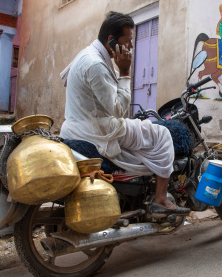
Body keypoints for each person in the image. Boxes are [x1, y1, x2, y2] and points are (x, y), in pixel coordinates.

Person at [59, 11, 189, 215]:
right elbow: (119, 111)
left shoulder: (87, 54)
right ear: (111, 40)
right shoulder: (96, 65)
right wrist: (125, 72)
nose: (131, 47)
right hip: (97, 130)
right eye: (127, 41)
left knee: (143, 132)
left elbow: (64, 77)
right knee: (163, 134)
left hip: (78, 126)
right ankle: (161, 199)